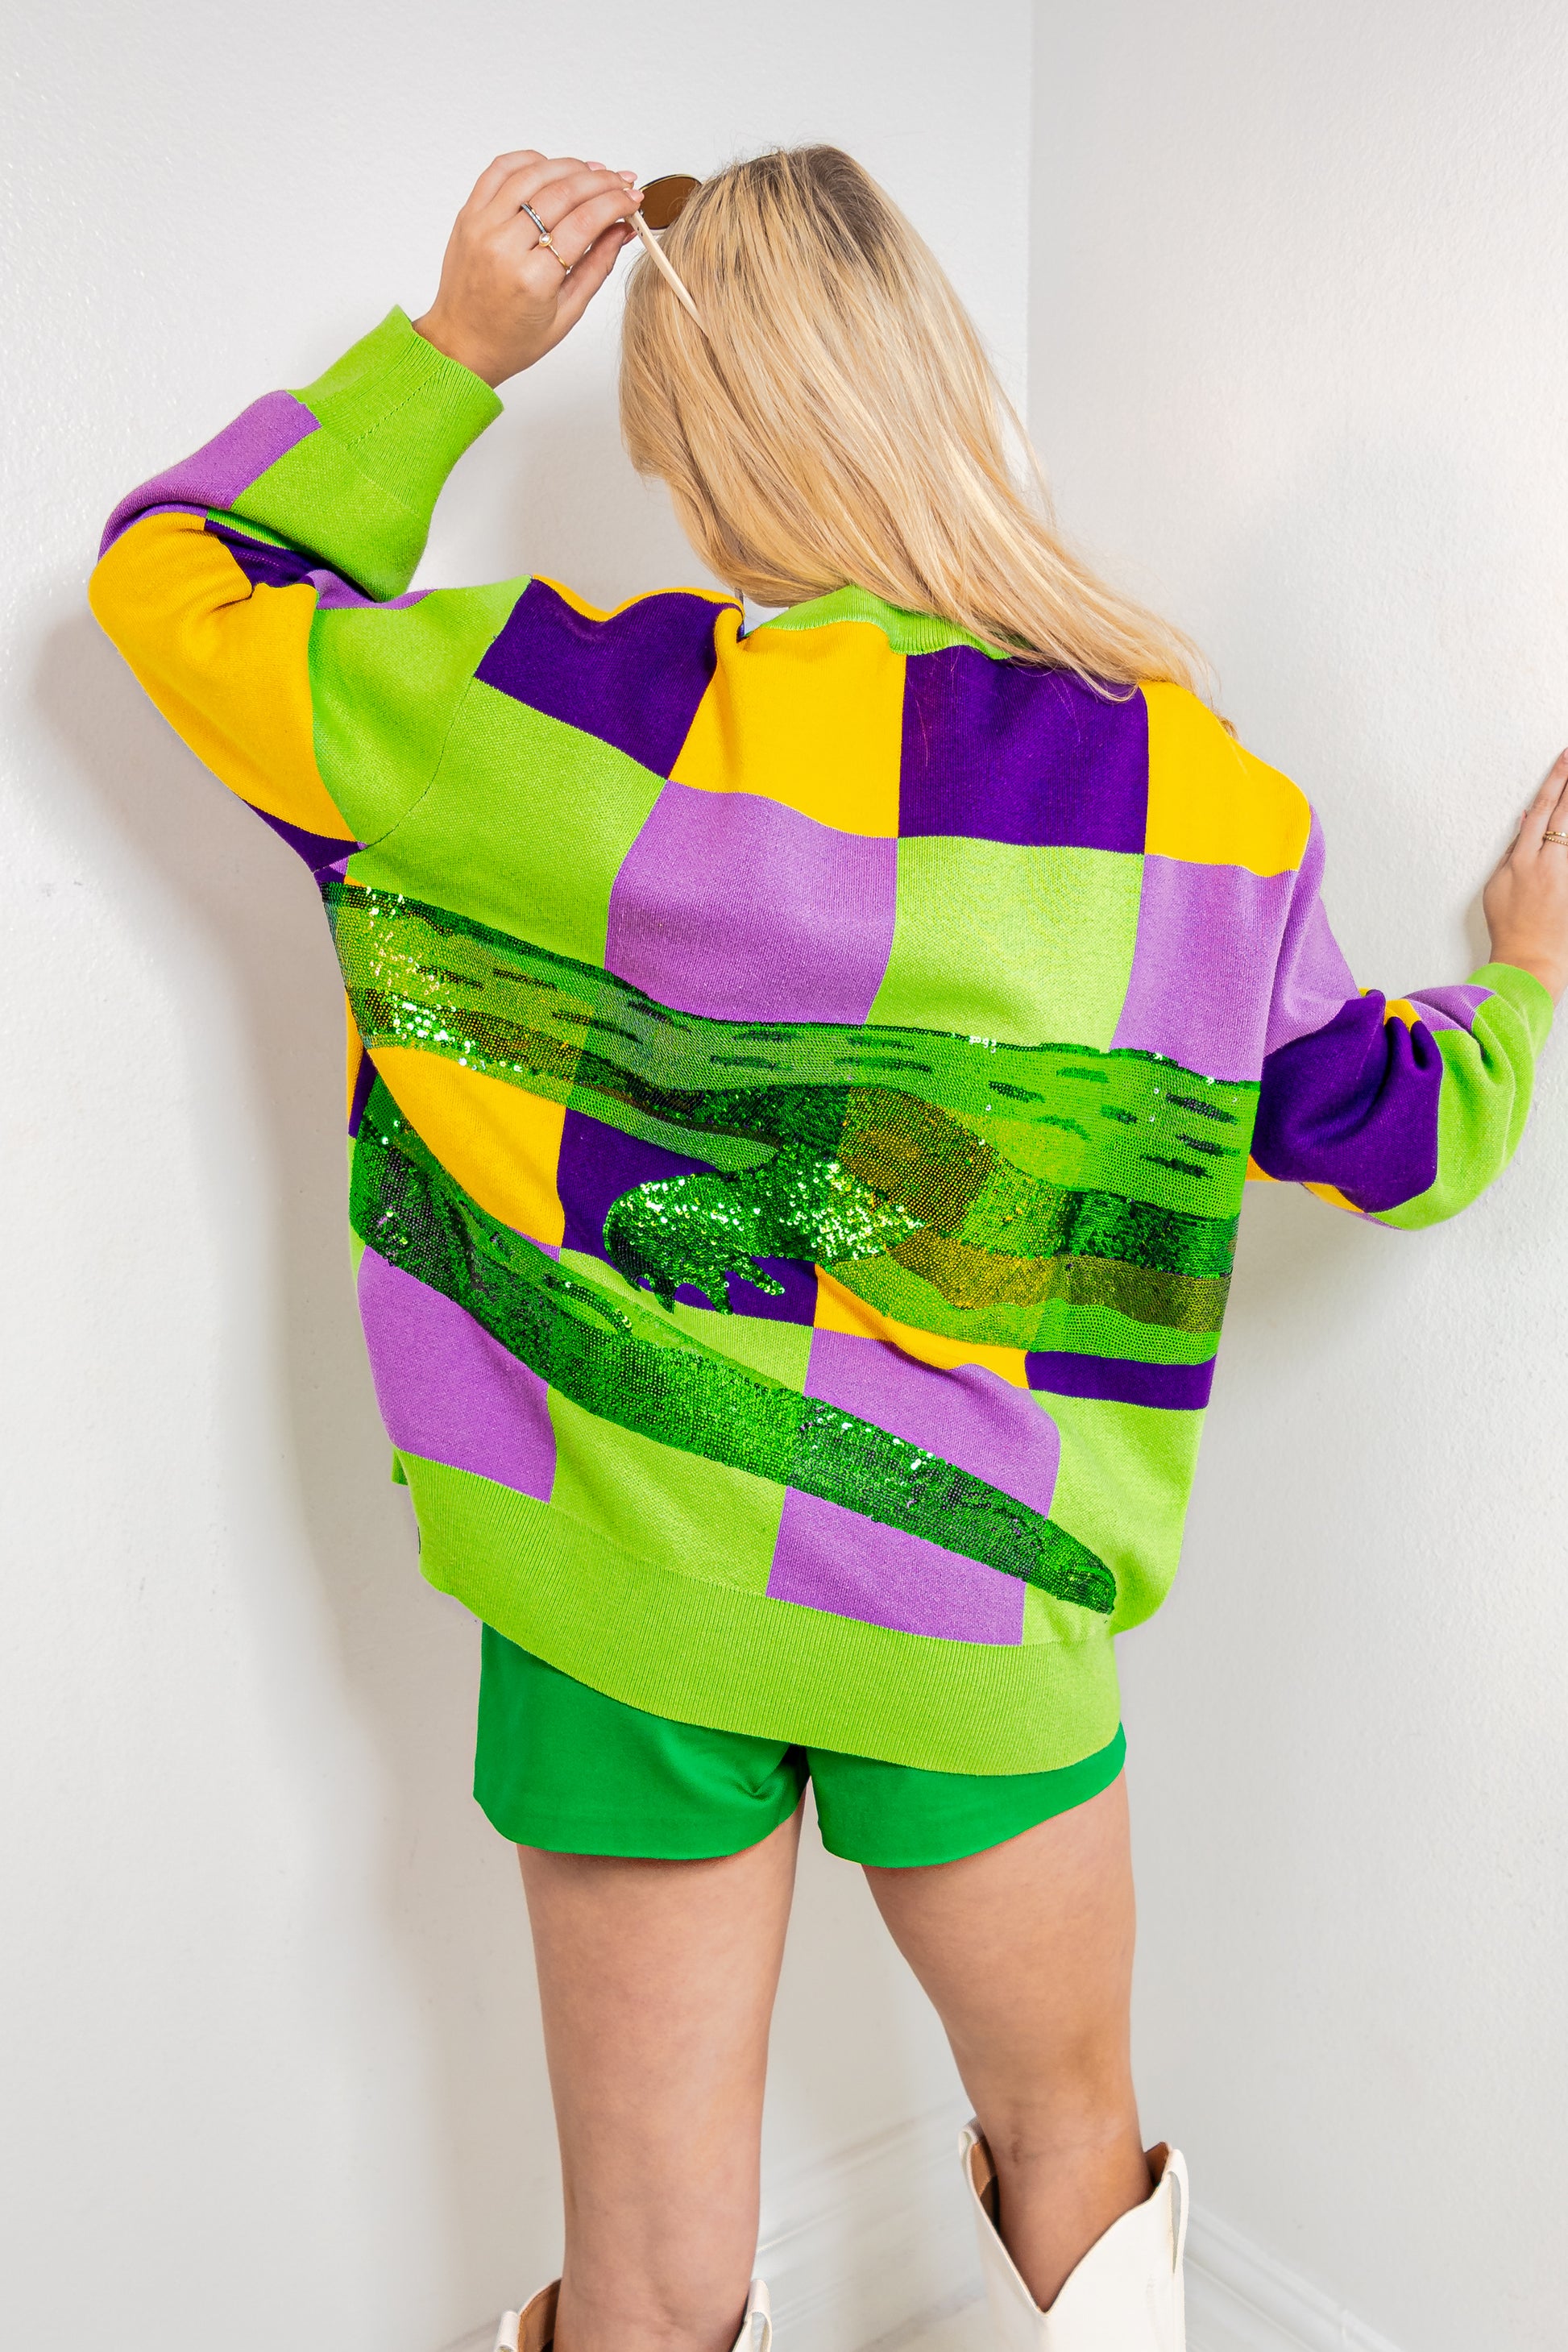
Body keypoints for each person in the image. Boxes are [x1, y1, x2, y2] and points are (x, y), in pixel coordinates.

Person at [89, 144, 1566, 2352]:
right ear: (940, 396)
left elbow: (171, 586)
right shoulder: (1190, 802)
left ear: (682, 439)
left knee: (652, 2283)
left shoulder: (526, 718)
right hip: (974, 1611)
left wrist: (456, 350)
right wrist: (1522, 982)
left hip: (628, 1600)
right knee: (1071, 2152)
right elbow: (1392, 1135)